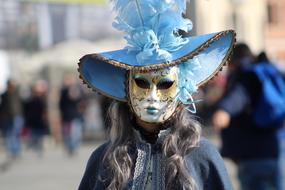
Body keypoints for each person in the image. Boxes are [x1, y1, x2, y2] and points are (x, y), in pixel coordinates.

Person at [78, 0, 235, 189]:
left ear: (181, 89)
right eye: (142, 83)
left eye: (165, 84)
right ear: (127, 89)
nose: (153, 96)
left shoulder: (202, 155)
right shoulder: (105, 159)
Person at [212, 43, 285, 190]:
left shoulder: (246, 75)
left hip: (251, 155)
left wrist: (224, 110)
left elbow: (239, 95)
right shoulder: (267, 71)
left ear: (233, 60)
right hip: (274, 150)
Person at [59, 74, 85, 155]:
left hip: (76, 116)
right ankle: (70, 148)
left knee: (76, 134)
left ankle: (74, 148)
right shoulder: (63, 91)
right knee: (67, 134)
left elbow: (78, 98)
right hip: (66, 116)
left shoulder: (78, 89)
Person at [23, 80, 49, 156]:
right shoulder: (30, 99)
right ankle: (35, 148)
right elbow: (26, 109)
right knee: (34, 135)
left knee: (39, 136)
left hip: (39, 121)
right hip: (33, 120)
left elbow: (45, 110)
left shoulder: (42, 99)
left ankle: (38, 149)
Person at [0, 79, 24, 160]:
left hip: (17, 117)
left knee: (15, 134)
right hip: (8, 118)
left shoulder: (16, 94)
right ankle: (13, 152)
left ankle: (16, 152)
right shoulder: (4, 95)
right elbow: (2, 107)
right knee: (10, 135)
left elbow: (22, 105)